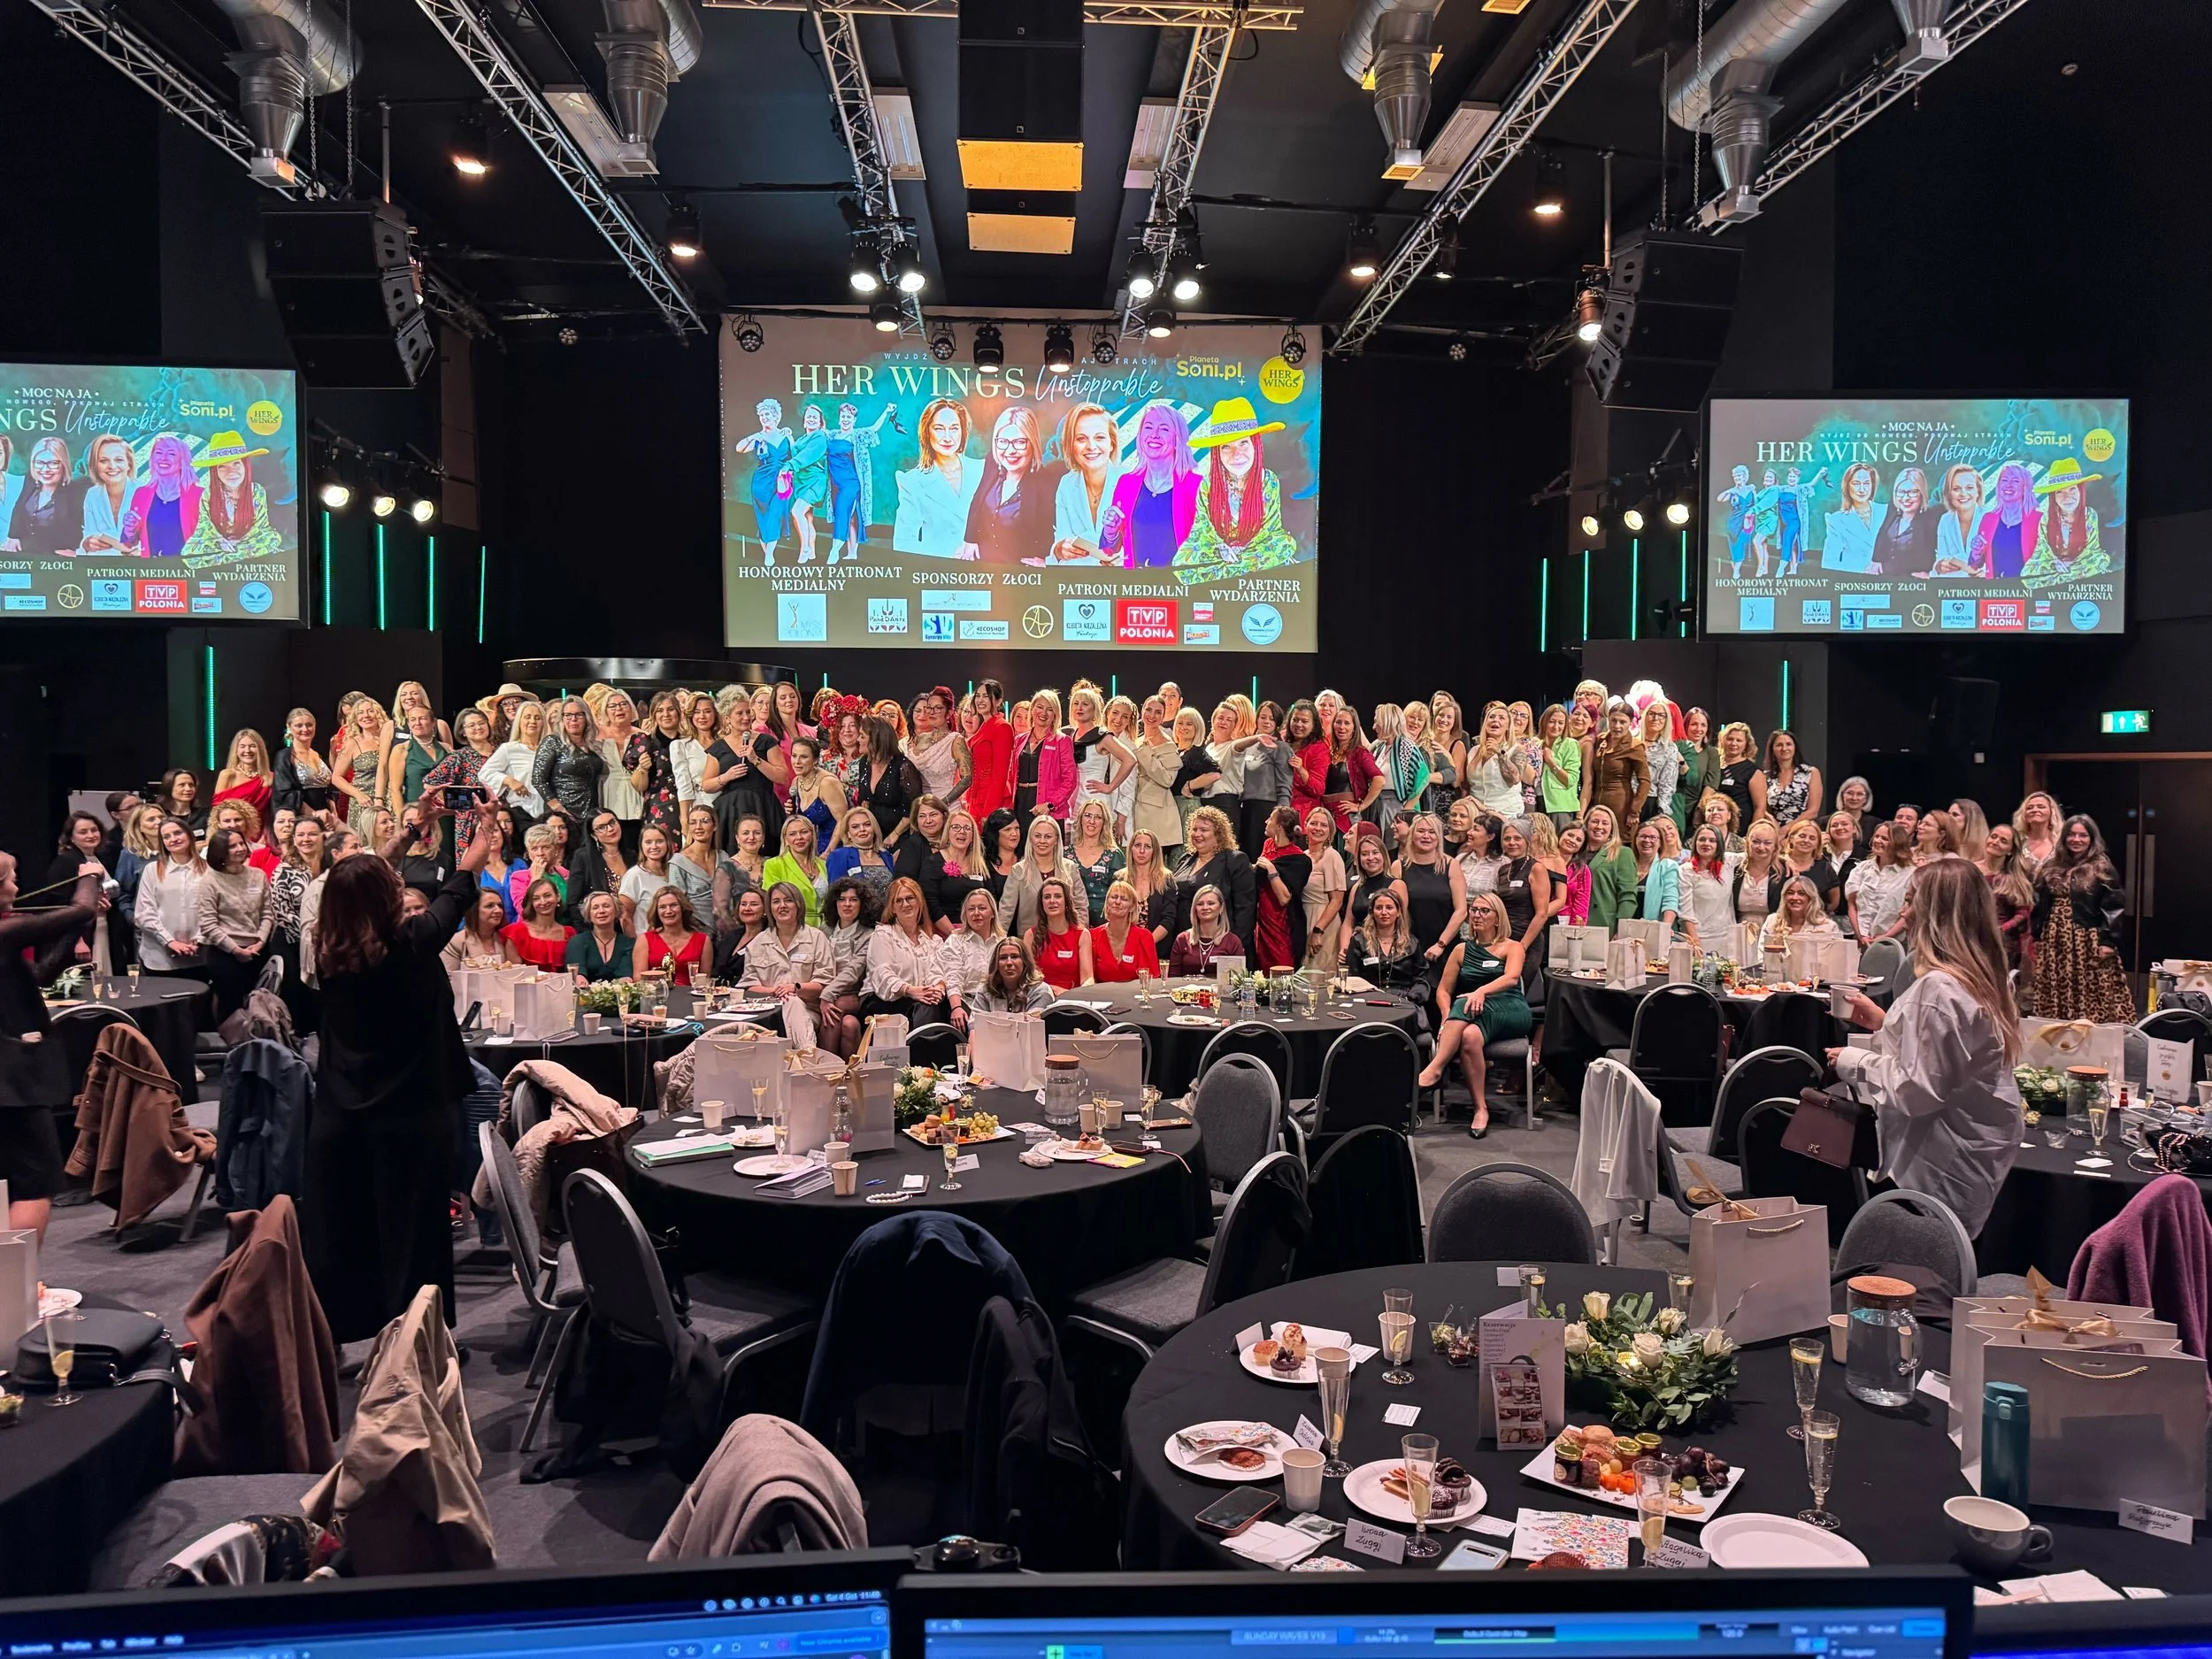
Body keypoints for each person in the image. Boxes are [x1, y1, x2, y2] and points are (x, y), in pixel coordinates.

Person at [303, 793, 497, 1340]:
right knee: (413, 1235)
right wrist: (479, 840)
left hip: (341, 1115)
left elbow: (356, 883)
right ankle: (415, 1345)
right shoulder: (411, 944)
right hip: (407, 1115)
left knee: (348, 1233)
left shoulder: (329, 945)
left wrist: (411, 831)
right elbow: (459, 887)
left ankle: (343, 1335)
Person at [1828, 858, 2022, 1234]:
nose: (1904, 911)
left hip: (1943, 1160)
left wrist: (1855, 1060)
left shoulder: (1938, 989)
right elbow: (1950, 1057)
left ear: (1937, 911)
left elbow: (1917, 1090)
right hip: (1974, 1147)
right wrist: (1885, 1024)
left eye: (1911, 900)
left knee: (1927, 1271)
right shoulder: (1984, 979)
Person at [0, 854, 106, 1240]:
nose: (16, 887)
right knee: (33, 1187)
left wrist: (85, 923)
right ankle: (18, 1291)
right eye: (11, 879)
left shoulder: (7, 938)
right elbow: (80, 907)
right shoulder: (4, 933)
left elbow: (42, 974)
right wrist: (91, 875)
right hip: (11, 1087)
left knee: (9, 1186)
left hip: (11, 1083)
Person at [1418, 894, 1531, 1139]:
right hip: (1475, 1013)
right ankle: (1481, 1109)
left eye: (1484, 911)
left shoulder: (1513, 947)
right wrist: (1447, 1017)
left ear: (1498, 918)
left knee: (1465, 1001)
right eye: (1474, 910)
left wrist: (1480, 991)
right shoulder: (1461, 950)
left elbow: (1512, 978)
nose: (1477, 915)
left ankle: (1435, 1068)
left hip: (1510, 1008)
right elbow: (1444, 991)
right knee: (1468, 1036)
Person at [1173, 400, 1300, 582]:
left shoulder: (1269, 481)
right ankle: (1240, 571)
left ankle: (1225, 573)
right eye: (1226, 446)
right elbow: (1201, 530)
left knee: (1284, 545)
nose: (1237, 454)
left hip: (1257, 549)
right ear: (1217, 452)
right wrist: (1220, 547)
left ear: (1255, 445)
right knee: (1182, 561)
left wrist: (1244, 550)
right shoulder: (1207, 486)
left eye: (1243, 444)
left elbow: (1272, 530)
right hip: (1220, 552)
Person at [2030, 813, 2133, 1020]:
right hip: (2054, 938)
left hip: (2087, 938)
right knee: (2056, 983)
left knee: (2092, 987)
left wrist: (2108, 941)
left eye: (2083, 835)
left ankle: (2093, 1039)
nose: (2077, 840)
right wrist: (2037, 935)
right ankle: (2059, 1033)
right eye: (2072, 835)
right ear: (2064, 838)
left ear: (2092, 839)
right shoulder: (2052, 867)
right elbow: (2040, 904)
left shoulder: (2102, 867)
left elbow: (2114, 906)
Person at [1100, 402, 1197, 568]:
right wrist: (1111, 532)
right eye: (1148, 428)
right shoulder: (1126, 483)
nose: (1154, 435)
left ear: (1177, 440)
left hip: (1180, 590)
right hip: (1134, 589)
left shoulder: (1195, 486)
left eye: (1164, 429)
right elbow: (1110, 549)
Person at [863, 877, 962, 1027]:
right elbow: (882, 974)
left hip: (922, 1000)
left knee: (944, 1007)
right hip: (885, 1001)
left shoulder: (933, 941)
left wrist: (938, 988)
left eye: (910, 898)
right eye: (899, 901)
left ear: (919, 902)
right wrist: (910, 990)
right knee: (926, 1008)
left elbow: (939, 972)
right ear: (893, 908)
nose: (905, 904)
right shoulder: (883, 935)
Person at [960, 405, 1054, 563]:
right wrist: (970, 539)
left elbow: (1059, 533)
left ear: (1033, 443)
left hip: (1018, 573)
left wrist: (1048, 563)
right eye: (1003, 441)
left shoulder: (1047, 483)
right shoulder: (992, 463)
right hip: (983, 565)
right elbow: (978, 500)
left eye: (1019, 442)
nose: (1010, 451)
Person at [196, 827, 271, 1019]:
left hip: (257, 950)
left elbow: (268, 913)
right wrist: (236, 950)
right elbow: (208, 924)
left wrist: (261, 941)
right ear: (220, 851)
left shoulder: (258, 875)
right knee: (231, 1007)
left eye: (241, 843)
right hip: (225, 953)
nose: (239, 848)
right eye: (232, 846)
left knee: (259, 1006)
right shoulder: (210, 881)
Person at [894, 397, 980, 558]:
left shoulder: (983, 470)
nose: (947, 437)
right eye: (939, 429)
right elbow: (903, 544)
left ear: (963, 431)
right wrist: (948, 555)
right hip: (940, 574)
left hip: (987, 574)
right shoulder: (913, 481)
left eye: (954, 428)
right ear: (927, 432)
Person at [134, 815, 207, 977]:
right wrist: (169, 941)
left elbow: (216, 910)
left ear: (189, 834)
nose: (173, 839)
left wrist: (200, 939)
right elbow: (144, 913)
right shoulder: (152, 870)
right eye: (166, 837)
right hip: (160, 957)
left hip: (200, 954)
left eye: (178, 833)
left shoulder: (209, 870)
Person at [1171, 805, 1255, 945]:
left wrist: (1233, 946)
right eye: (1194, 829)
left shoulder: (1235, 861)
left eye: (1204, 830)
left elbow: (1245, 910)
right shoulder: (1185, 859)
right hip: (1186, 942)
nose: (1197, 834)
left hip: (1221, 943)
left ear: (1218, 834)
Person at [996, 812, 1087, 936]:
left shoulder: (1070, 868)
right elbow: (1006, 911)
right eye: (1037, 836)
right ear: (1031, 838)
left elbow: (1081, 907)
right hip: (1029, 940)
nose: (1042, 841)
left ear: (1056, 840)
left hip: (1065, 941)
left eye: (1048, 836)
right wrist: (998, 942)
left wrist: (1080, 938)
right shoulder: (1019, 870)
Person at [819, 878, 878, 1056]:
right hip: (822, 988)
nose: (847, 904)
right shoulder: (824, 930)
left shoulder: (869, 935)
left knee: (836, 1006)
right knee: (849, 1025)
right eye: (842, 899)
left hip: (853, 993)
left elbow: (854, 971)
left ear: (862, 904)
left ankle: (827, 1069)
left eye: (853, 900)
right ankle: (839, 1073)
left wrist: (827, 995)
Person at [1345, 886, 1423, 997]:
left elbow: (1421, 979)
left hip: (1405, 1000)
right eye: (1379, 908)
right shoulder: (1359, 941)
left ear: (1399, 912)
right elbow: (1351, 977)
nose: (1384, 912)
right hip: (1368, 998)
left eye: (1389, 908)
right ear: (1372, 912)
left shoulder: (1412, 943)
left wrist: (1411, 997)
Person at [1846, 821, 1913, 945]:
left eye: (1884, 838)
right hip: (1860, 940)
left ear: (1897, 843)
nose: (1878, 841)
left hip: (1892, 943)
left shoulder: (1911, 874)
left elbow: (1910, 912)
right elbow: (1852, 905)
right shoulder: (1861, 869)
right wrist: (1862, 935)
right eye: (1876, 836)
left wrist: (1886, 936)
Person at [1585, 703, 1649, 826]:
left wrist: (1635, 810)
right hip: (1596, 802)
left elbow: (1645, 781)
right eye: (1613, 720)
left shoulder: (1635, 746)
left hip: (1620, 804)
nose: (1617, 726)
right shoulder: (1600, 740)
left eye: (1622, 722)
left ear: (1630, 723)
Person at [1028, 876, 1093, 994]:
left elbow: (1088, 979)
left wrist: (1073, 995)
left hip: (1073, 997)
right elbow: (1030, 977)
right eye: (1047, 897)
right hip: (1041, 995)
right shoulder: (1031, 935)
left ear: (1066, 902)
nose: (1052, 901)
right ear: (1041, 903)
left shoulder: (1082, 934)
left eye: (1058, 896)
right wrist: (1052, 990)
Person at [1168, 883, 1244, 976]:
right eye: (1200, 904)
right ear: (1195, 909)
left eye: (1211, 903)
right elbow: (1173, 977)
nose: (1205, 908)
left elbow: (1237, 981)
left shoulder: (1233, 942)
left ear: (1221, 908)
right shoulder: (1182, 939)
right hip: (1186, 990)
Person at [965, 680, 1016, 820]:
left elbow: (1000, 774)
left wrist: (989, 811)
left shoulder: (1002, 727)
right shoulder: (985, 726)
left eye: (986, 696)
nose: (980, 700)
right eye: (978, 696)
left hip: (992, 801)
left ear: (998, 701)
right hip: (976, 799)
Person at [1750, 728, 1821, 827]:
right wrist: (1776, 831)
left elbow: (1813, 811)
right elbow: (1764, 810)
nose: (1784, 748)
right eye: (1779, 745)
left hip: (1802, 830)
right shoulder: (1765, 776)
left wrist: (1787, 829)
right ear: (1772, 750)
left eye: (1788, 744)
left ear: (1795, 747)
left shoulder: (1810, 773)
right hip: (1775, 831)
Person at [826, 804, 895, 901]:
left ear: (874, 828)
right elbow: (835, 895)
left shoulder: (886, 855)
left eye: (867, 824)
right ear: (848, 833)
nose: (862, 829)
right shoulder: (839, 856)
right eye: (855, 827)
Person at [503, 877, 573, 969]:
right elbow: (514, 974)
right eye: (536, 898)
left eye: (547, 895)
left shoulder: (570, 933)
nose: (543, 902)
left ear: (558, 897)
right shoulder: (516, 933)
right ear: (531, 903)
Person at [943, 888, 1003, 996]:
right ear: (965, 914)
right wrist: (956, 1007)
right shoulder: (955, 940)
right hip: (965, 1000)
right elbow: (953, 979)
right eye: (971, 909)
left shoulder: (1002, 941)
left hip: (996, 1000)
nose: (976, 913)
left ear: (993, 913)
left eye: (982, 908)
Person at [565, 889, 634, 982]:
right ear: (588, 914)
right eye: (595, 907)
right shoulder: (577, 942)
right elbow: (577, 976)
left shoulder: (628, 943)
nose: (601, 911)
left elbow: (626, 977)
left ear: (616, 911)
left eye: (606, 906)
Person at [973, 936, 1054, 1015]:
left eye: (1015, 957)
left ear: (1025, 962)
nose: (1009, 963)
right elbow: (974, 1024)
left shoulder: (1040, 991)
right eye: (1003, 958)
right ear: (996, 964)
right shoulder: (985, 991)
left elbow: (1032, 1025)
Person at [1759, 874, 1839, 952]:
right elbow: (1762, 955)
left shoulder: (1828, 927)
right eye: (1790, 893)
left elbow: (1832, 959)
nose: (1795, 898)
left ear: (1810, 898)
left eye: (1801, 893)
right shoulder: (1772, 921)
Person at [445, 886, 510, 972]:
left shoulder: (507, 938)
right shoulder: (455, 942)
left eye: (500, 906)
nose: (498, 910)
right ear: (474, 910)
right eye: (489, 906)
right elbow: (449, 979)